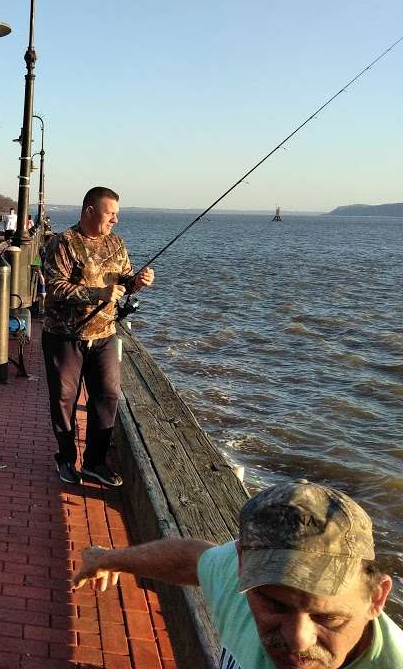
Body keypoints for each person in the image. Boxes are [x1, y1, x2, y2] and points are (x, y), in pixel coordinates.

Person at [73, 479, 402, 668]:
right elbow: (194, 559)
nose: (297, 639)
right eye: (275, 605)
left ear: (376, 598)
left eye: (328, 618)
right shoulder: (241, 576)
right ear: (243, 566)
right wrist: (108, 559)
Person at [41, 186, 154, 487]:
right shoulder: (62, 243)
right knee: (64, 399)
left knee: (107, 396)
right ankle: (66, 458)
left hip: (104, 334)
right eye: (110, 213)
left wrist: (137, 282)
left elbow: (124, 282)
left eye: (117, 213)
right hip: (63, 336)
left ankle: (95, 463)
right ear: (89, 211)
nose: (115, 219)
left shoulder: (116, 243)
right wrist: (98, 293)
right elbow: (55, 287)